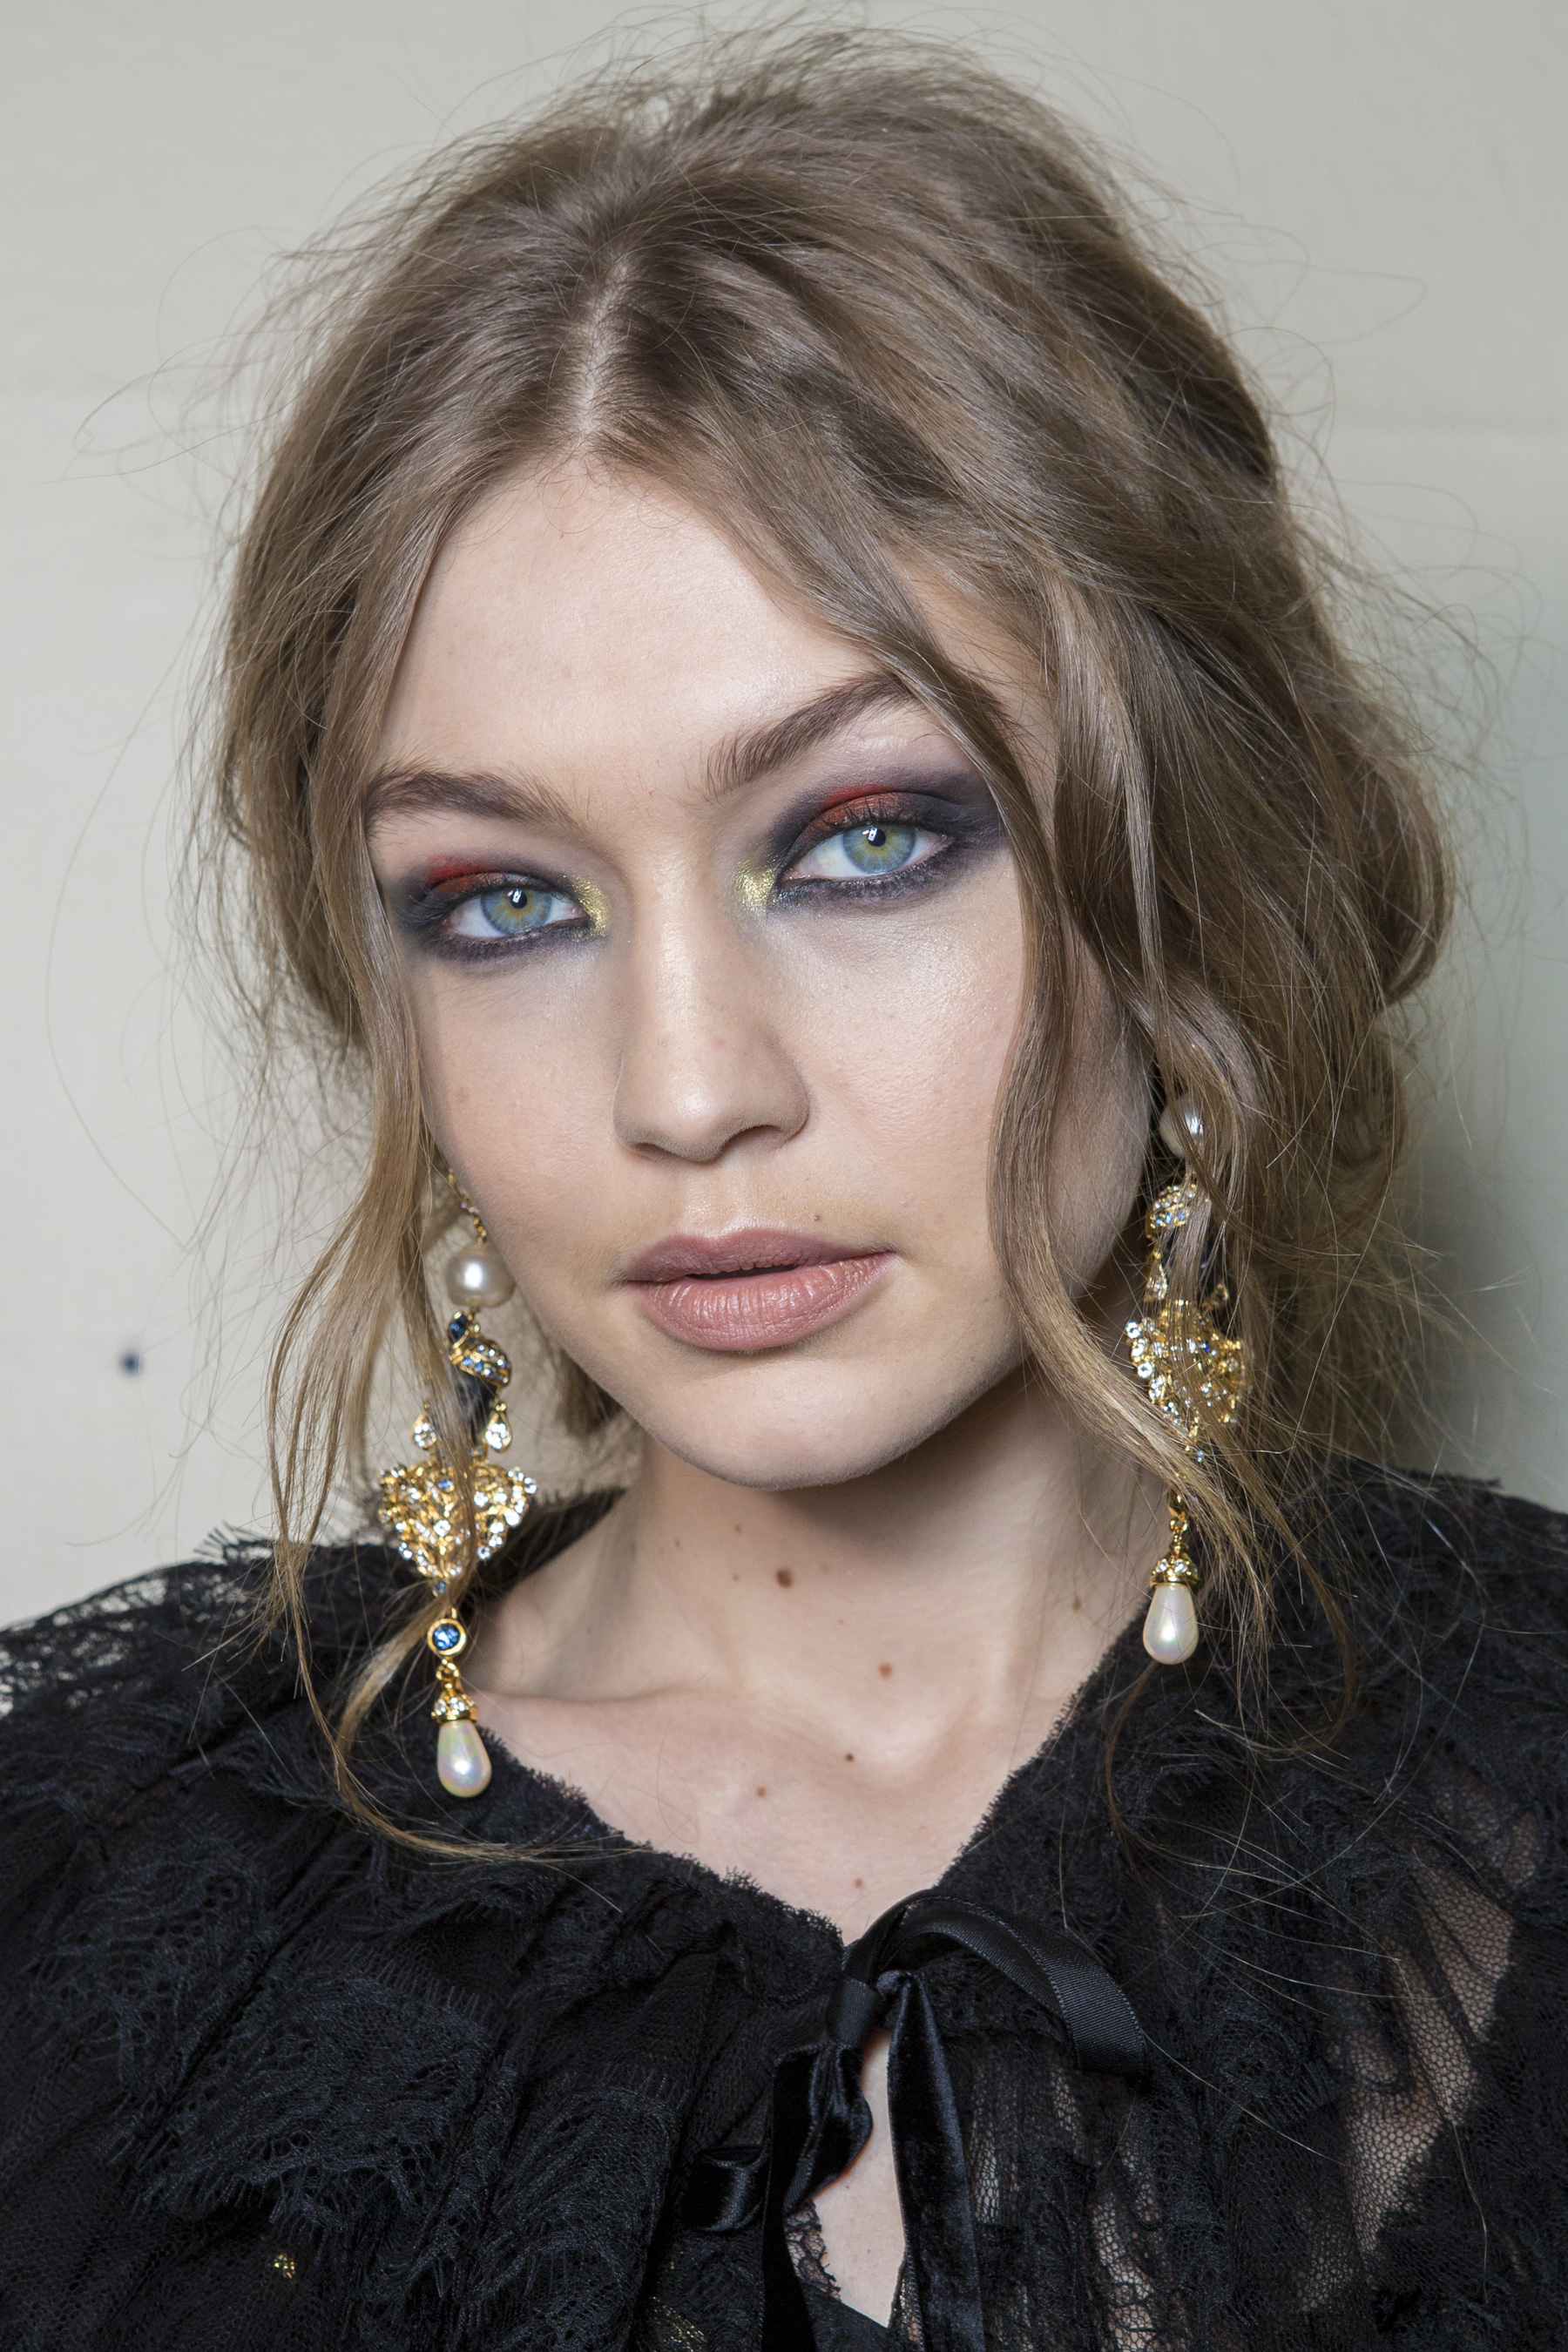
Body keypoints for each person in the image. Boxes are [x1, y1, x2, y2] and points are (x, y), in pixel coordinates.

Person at [2, 31, 1564, 2351]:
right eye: (504, 899)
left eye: (866, 841)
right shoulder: (79, 1879)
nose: (686, 1087)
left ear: (1191, 885)